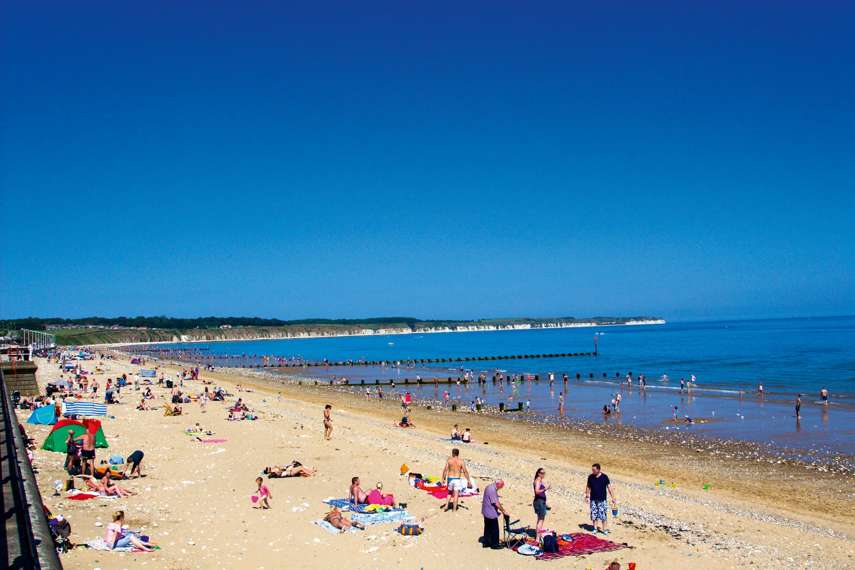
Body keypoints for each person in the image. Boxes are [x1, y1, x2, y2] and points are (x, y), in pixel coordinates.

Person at [585, 463, 616, 535]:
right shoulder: (590, 477)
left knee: (603, 515)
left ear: (598, 470)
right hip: (593, 499)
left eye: (594, 470)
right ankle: (595, 528)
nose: (593, 471)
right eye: (592, 470)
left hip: (602, 500)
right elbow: (588, 486)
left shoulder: (605, 477)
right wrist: (587, 495)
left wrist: (613, 497)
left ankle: (604, 529)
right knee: (594, 515)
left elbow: (609, 487)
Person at [481, 479, 507, 549]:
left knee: (487, 527)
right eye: (501, 486)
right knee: (494, 529)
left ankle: (486, 542)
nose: (501, 487)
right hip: (490, 512)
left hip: (486, 510)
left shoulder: (489, 487)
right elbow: (496, 503)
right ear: (498, 484)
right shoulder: (492, 490)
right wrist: (503, 511)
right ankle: (495, 544)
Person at [533, 467, 550, 542]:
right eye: (542, 473)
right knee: (541, 520)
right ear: (538, 473)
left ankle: (537, 536)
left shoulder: (540, 481)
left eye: (544, 473)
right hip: (539, 502)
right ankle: (537, 538)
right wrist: (545, 488)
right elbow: (536, 491)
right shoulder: (538, 481)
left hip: (540, 502)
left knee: (540, 519)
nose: (543, 475)